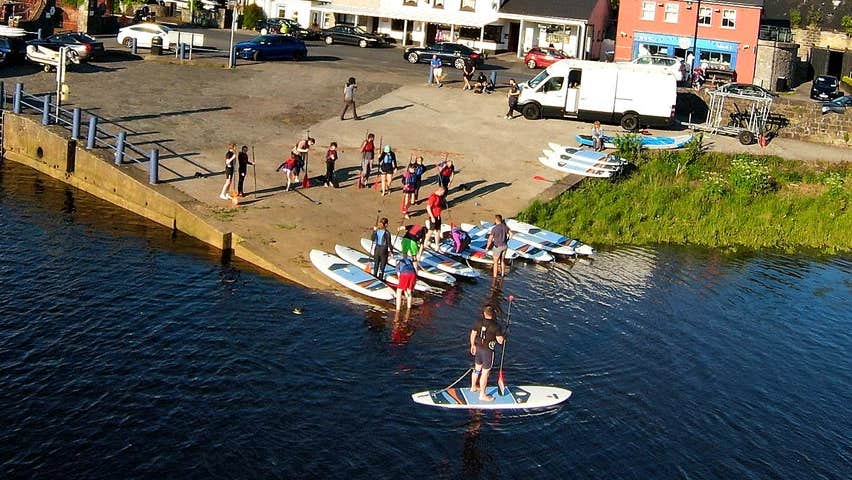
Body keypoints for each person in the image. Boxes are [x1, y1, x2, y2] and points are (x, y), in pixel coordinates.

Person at [469, 305, 505, 401]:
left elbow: (473, 334)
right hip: (488, 352)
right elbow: (500, 341)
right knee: (485, 373)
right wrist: (504, 336)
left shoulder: (478, 322)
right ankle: (482, 395)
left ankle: (473, 387)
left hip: (478, 348)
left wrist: (472, 345)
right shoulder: (496, 326)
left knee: (477, 369)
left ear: (484, 313)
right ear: (493, 314)